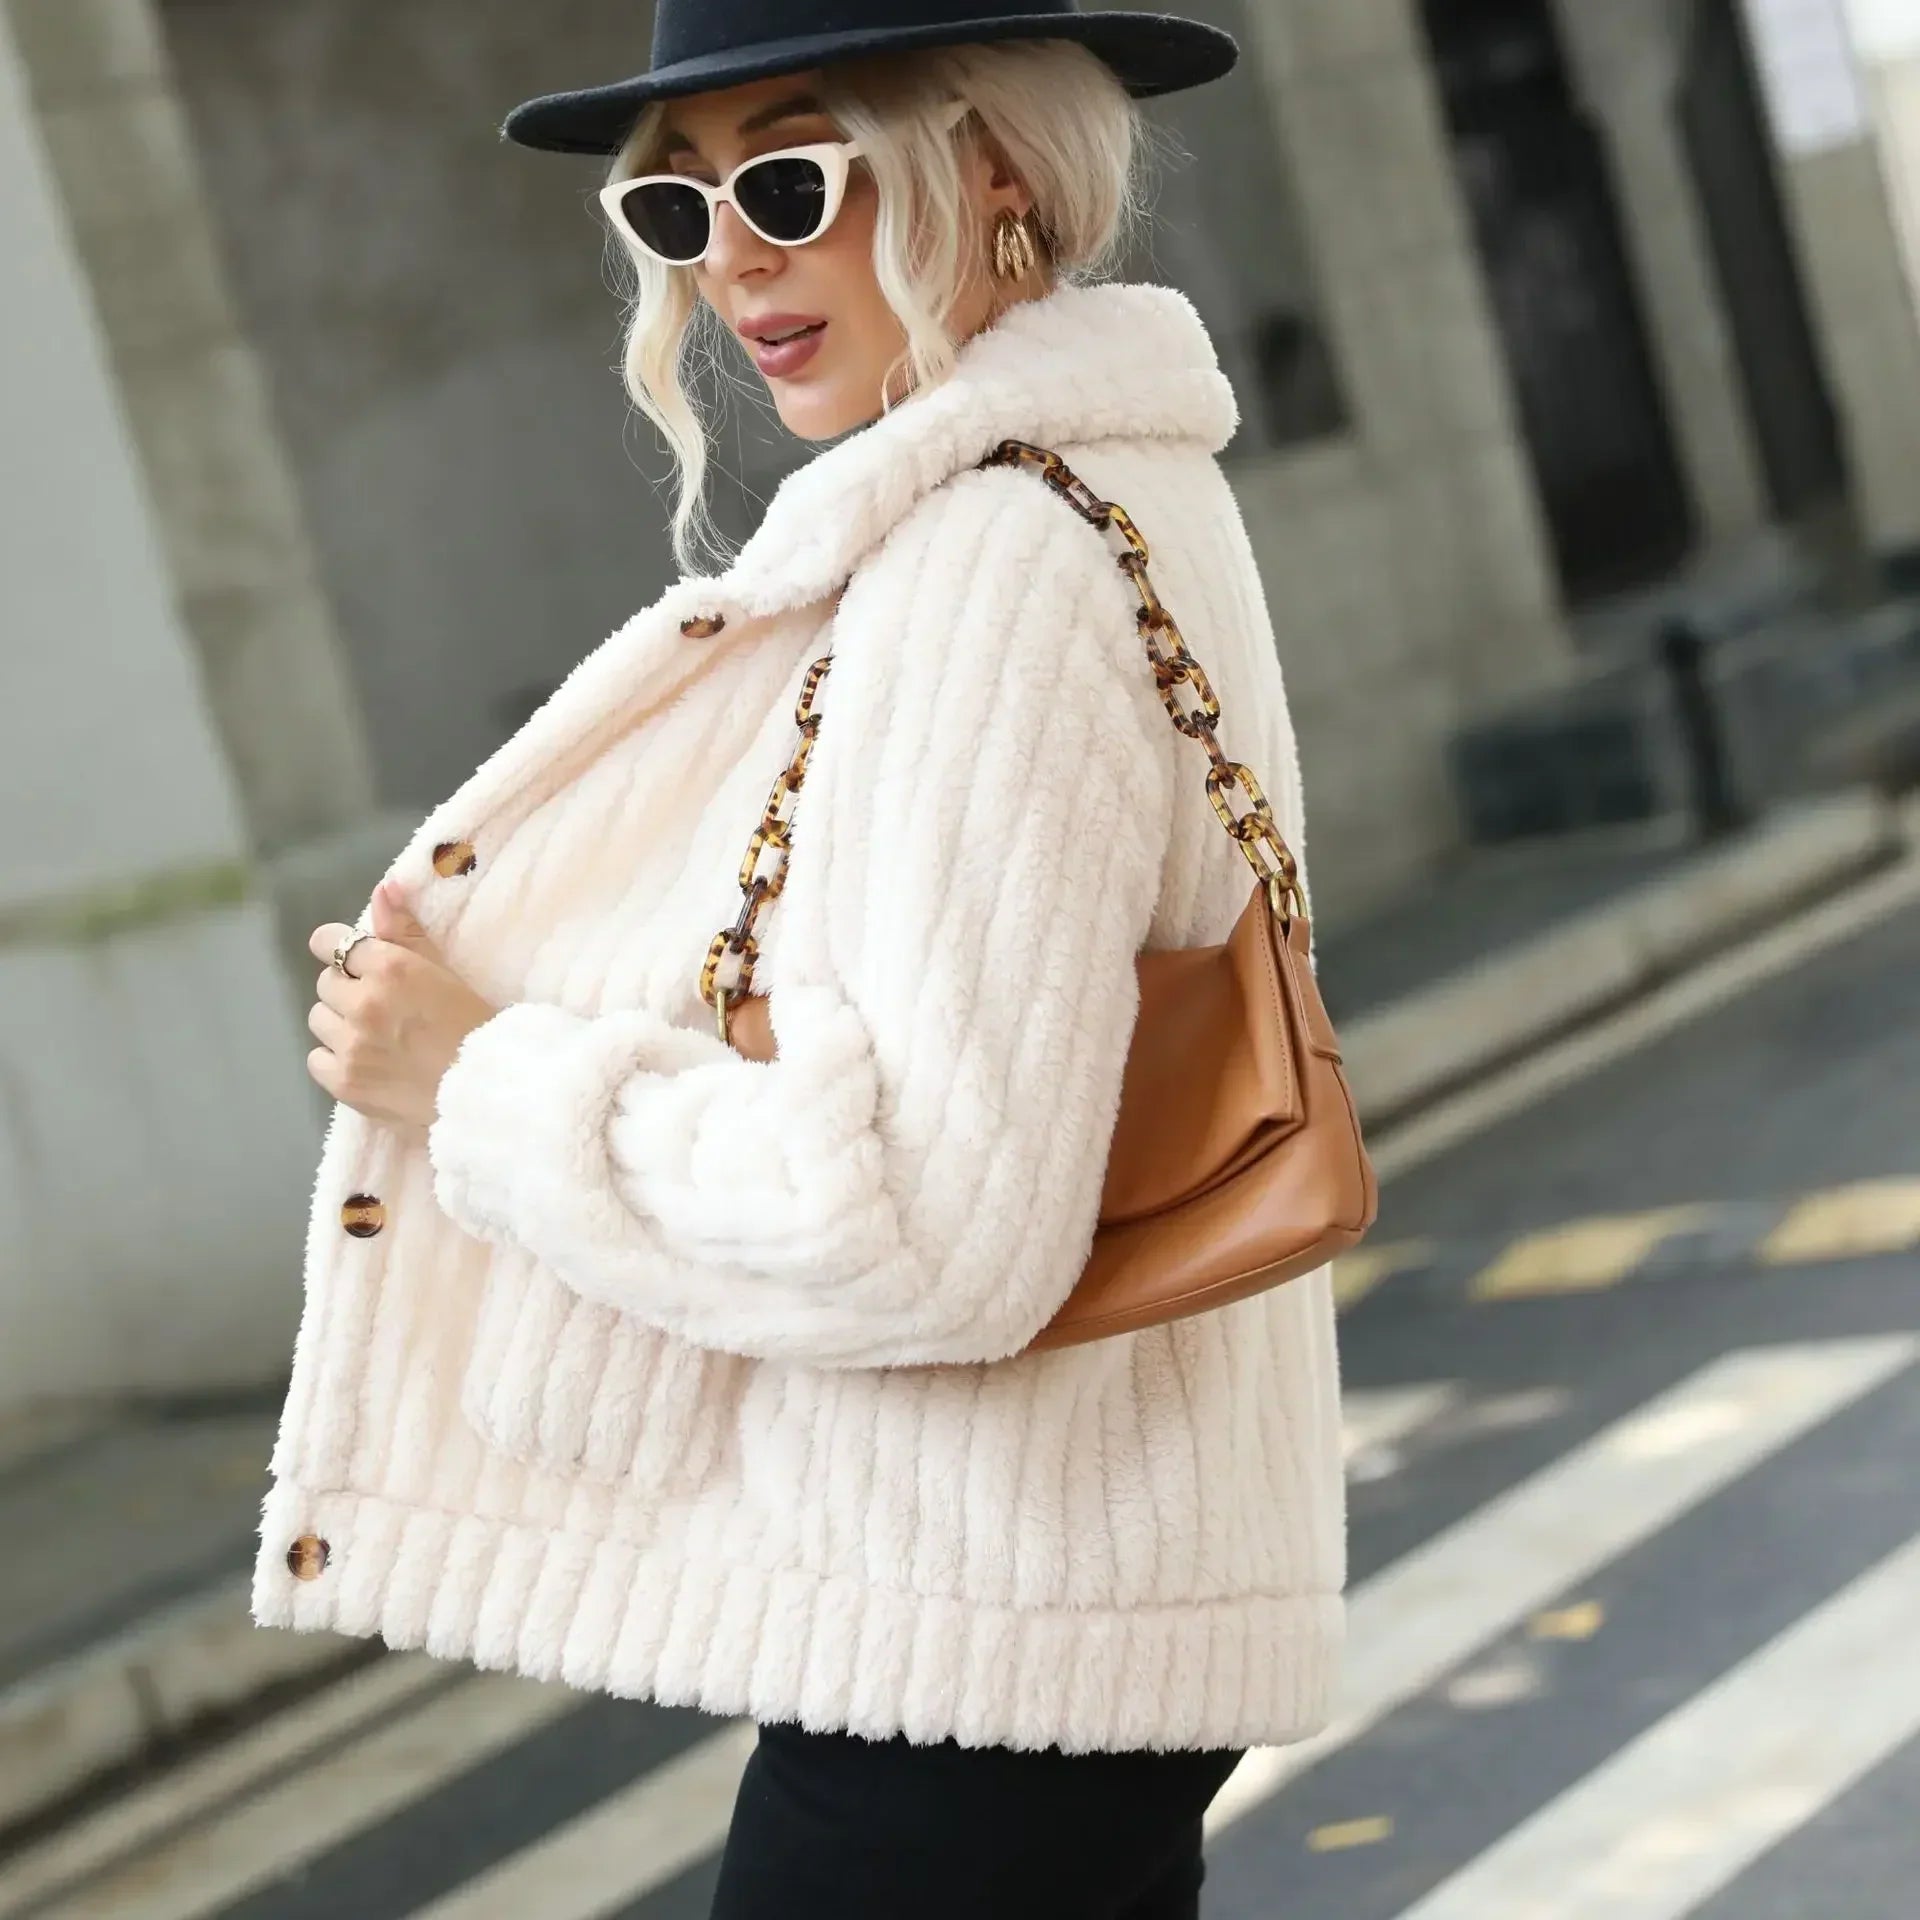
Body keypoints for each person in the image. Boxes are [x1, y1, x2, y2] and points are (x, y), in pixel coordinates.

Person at [267, 3, 1348, 1914]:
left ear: (991, 169)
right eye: (679, 207)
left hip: (982, 1653)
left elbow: (926, 1219)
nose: (732, 262)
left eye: (787, 180)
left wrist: (477, 1077)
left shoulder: (992, 560)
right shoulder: (1105, 489)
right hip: (1045, 1627)